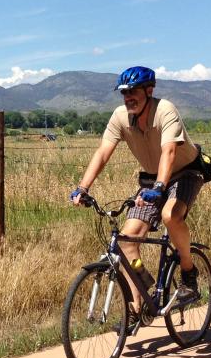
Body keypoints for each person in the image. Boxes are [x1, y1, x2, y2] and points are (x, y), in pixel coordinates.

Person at [69, 65, 204, 314]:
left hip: (185, 173)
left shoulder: (165, 110)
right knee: (126, 242)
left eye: (134, 92)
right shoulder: (120, 117)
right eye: (124, 93)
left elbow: (170, 152)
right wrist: (82, 188)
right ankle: (138, 306)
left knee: (169, 215)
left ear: (149, 91)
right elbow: (103, 152)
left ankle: (188, 273)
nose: (128, 97)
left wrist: (161, 187)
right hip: (153, 180)